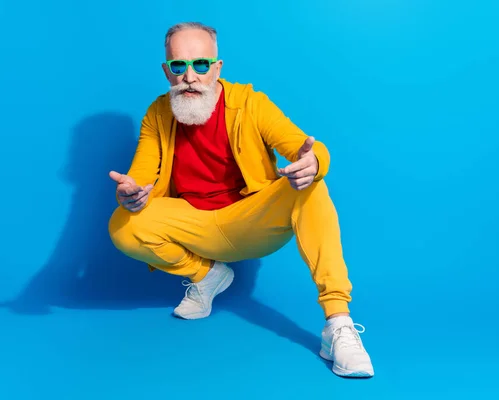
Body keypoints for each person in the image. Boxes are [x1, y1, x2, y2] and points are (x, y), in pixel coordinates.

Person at [107, 21, 374, 378]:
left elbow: (305, 147)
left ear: (217, 67)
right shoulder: (158, 113)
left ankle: (337, 323)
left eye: (200, 64)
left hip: (250, 222)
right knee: (122, 225)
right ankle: (206, 276)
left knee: (312, 186)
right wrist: (130, 193)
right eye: (178, 66)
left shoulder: (251, 104)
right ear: (166, 71)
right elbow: (139, 175)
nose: (189, 76)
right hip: (194, 225)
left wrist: (314, 161)